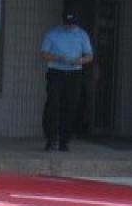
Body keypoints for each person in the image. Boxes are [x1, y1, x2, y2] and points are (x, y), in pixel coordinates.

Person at [40, 12, 93, 152]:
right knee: (53, 104)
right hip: (56, 72)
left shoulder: (82, 35)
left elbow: (89, 56)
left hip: (74, 73)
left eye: (72, 24)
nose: (70, 27)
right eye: (67, 24)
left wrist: (80, 60)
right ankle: (51, 139)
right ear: (62, 22)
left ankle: (65, 140)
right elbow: (44, 54)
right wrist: (57, 58)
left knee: (71, 106)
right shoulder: (52, 34)